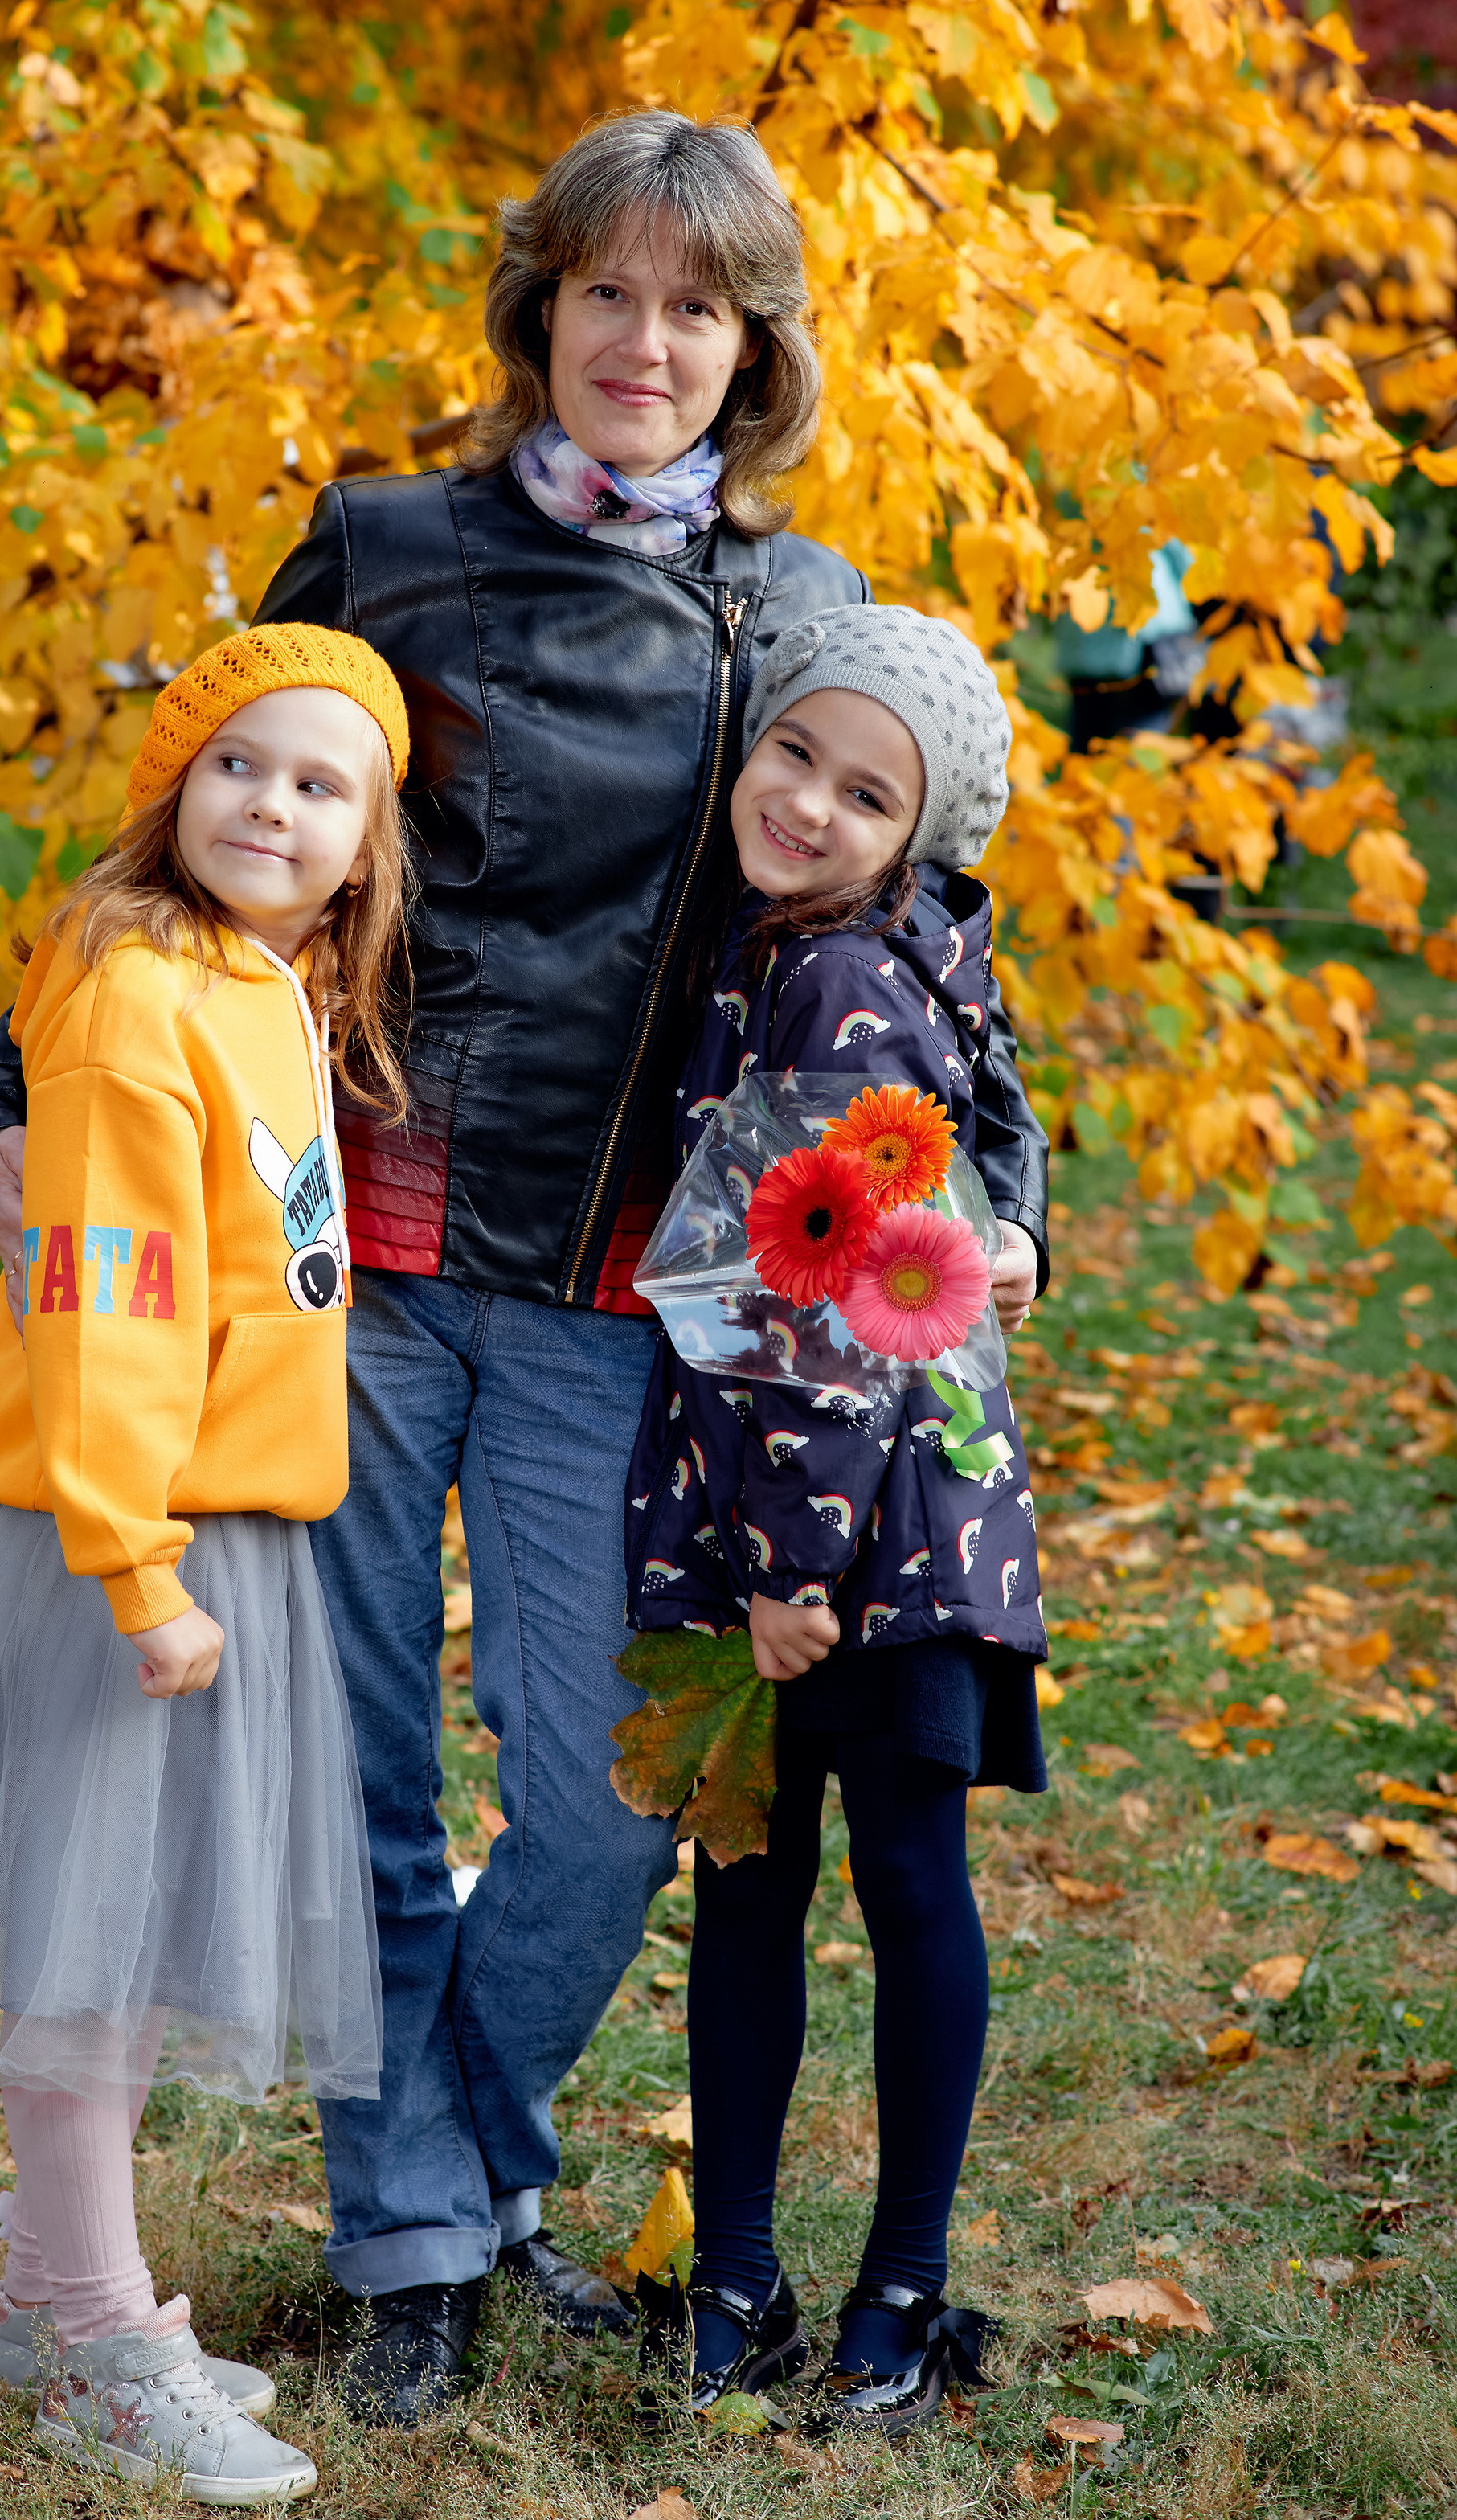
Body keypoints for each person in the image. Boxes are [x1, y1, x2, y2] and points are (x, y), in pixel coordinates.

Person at [0, 109, 1051, 2428]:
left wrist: (1013, 1193)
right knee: (368, 1784)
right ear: (540, 307)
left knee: (606, 1793)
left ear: (751, 350)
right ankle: (419, 2251)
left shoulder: (793, 610)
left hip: (618, 1292)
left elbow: (925, 936)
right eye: (607, 291)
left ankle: (451, 2162)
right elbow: (214, 816)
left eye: (697, 305)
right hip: (329, 1254)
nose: (643, 341)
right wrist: (14, 1109)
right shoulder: (389, 544)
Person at [0, 626, 415, 2505]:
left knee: (127, 1945)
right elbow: (108, 1307)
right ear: (172, 786)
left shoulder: (262, 987)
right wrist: (137, 1571)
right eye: (240, 766)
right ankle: (96, 2343)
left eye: (324, 786)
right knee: (90, 1942)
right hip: (121, 1527)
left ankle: (42, 2292)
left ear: (369, 849)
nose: (274, 806)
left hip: (216, 1511)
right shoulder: (137, 994)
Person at [624, 603, 1046, 2436]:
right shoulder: (794, 943)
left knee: (880, 1880)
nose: (804, 801)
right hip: (808, 1505)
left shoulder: (843, 981)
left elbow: (831, 1299)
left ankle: (887, 2289)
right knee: (759, 1885)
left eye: (863, 792)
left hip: (854, 1528)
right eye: (792, 751)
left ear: (919, 834)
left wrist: (787, 1570)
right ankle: (744, 2274)